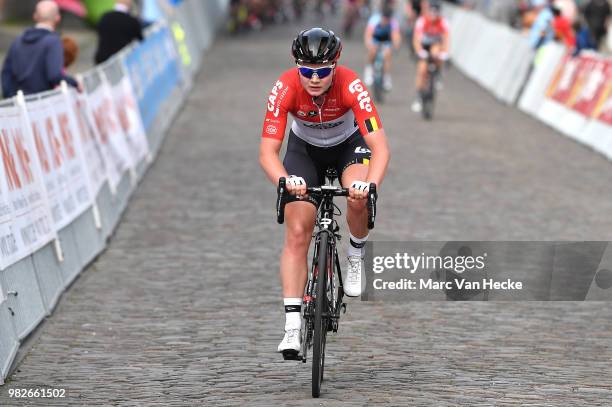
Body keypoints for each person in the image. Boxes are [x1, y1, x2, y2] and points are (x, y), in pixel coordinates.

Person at [259, 28, 390, 357]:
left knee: (357, 196)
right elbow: (267, 153)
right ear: (296, 66)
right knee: (298, 232)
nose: (314, 78)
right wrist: (286, 181)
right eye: (306, 71)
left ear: (336, 65)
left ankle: (356, 253)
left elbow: (380, 148)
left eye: (322, 71)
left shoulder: (352, 85)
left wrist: (369, 184)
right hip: (305, 151)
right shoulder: (285, 87)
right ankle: (291, 328)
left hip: (350, 145)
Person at [1, 0, 79, 98]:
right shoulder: (53, 42)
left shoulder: (18, 40)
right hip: (42, 102)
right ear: (57, 18)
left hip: (19, 102)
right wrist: (75, 83)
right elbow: (54, 75)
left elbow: (6, 73)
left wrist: (11, 97)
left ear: (35, 16)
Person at [411, 0, 449, 113]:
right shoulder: (421, 21)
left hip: (435, 45)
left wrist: (445, 52)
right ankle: (418, 97)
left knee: (437, 51)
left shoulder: (443, 22)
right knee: (422, 70)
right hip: (424, 46)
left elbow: (447, 39)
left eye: (436, 12)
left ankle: (438, 74)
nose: (433, 14)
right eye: (432, 11)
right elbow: (416, 39)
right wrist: (419, 51)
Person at [363, 3, 401, 90]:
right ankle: (369, 69)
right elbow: (368, 34)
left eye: (388, 19)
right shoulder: (374, 20)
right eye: (384, 19)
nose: (385, 21)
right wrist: (369, 44)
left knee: (387, 54)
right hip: (375, 39)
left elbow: (396, 36)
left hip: (386, 40)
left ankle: (387, 77)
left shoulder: (393, 22)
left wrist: (396, 45)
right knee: (372, 51)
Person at [94, 0, 143, 64]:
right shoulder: (132, 21)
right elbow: (140, 39)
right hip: (122, 61)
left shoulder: (104, 17)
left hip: (102, 58)